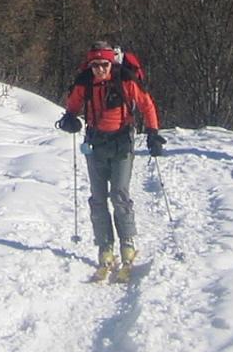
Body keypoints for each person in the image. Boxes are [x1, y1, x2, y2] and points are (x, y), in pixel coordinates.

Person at [57, 46, 165, 281]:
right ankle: (104, 247)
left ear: (111, 65)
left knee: (119, 194)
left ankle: (127, 243)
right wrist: (69, 120)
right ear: (90, 66)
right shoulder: (85, 83)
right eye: (95, 65)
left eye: (104, 65)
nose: (99, 70)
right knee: (97, 198)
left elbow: (146, 105)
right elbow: (72, 108)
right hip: (96, 143)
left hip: (122, 143)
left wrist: (153, 133)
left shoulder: (125, 81)